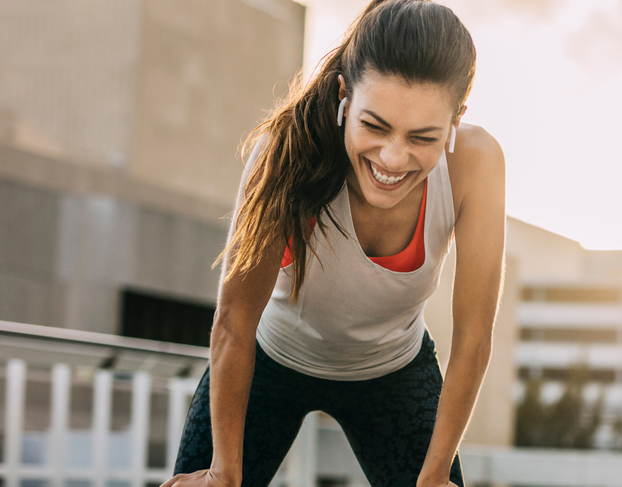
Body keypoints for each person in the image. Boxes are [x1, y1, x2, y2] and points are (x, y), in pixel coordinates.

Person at [160, 0, 505, 485]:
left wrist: (431, 480)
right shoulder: (284, 152)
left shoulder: (476, 164)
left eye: (423, 137)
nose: (392, 158)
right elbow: (235, 319)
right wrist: (223, 473)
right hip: (270, 360)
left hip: (393, 370)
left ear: (455, 120)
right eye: (374, 125)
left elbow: (474, 338)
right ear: (345, 95)